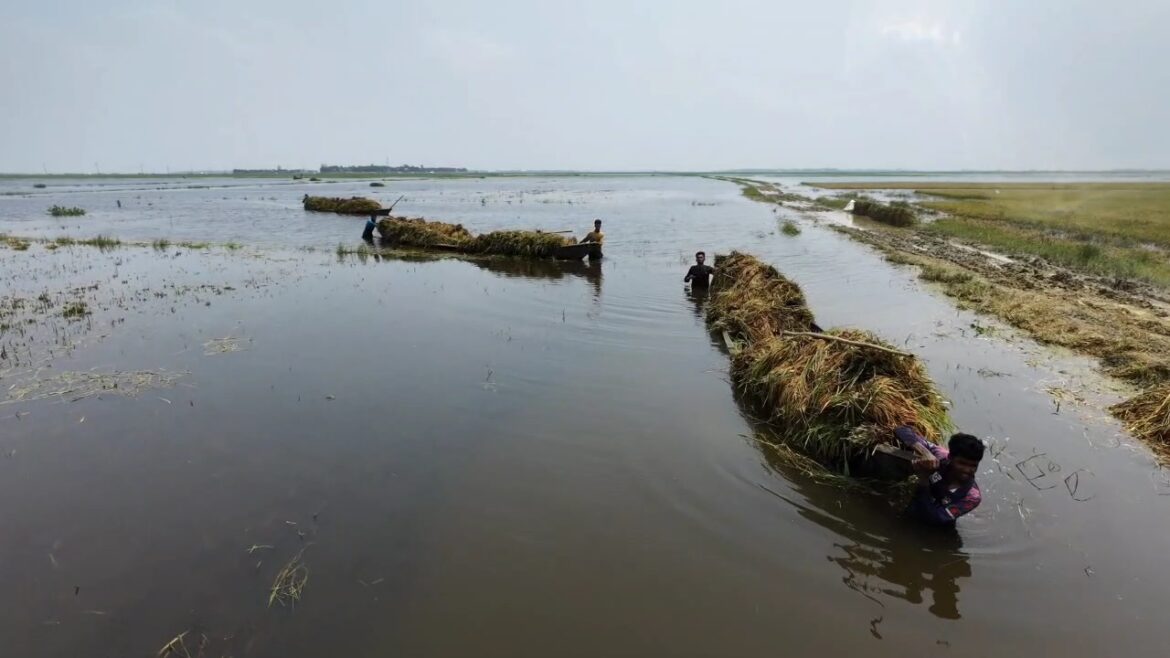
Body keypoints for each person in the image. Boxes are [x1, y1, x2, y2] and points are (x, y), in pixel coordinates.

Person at [895, 426, 984, 526]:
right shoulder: (941, 455)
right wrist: (925, 452)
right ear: (950, 457)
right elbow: (902, 430)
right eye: (962, 463)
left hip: (937, 529)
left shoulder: (972, 496)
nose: (967, 470)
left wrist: (924, 477)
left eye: (973, 465)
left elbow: (934, 517)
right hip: (913, 508)